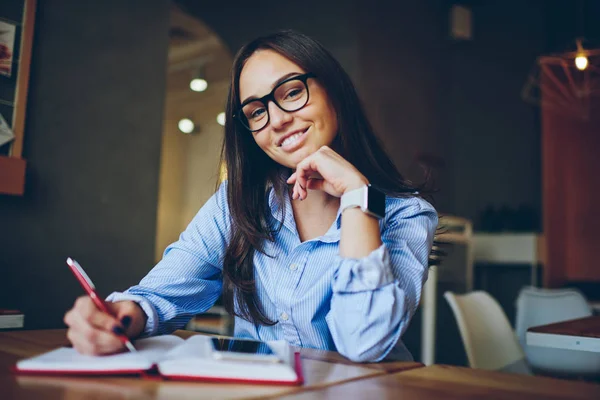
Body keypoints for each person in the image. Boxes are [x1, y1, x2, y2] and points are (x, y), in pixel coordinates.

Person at [63, 30, 438, 362]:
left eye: (292, 92)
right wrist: (118, 318)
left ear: (335, 92)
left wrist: (358, 198)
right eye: (257, 111)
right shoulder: (238, 201)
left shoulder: (407, 215)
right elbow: (161, 295)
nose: (276, 120)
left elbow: (364, 343)